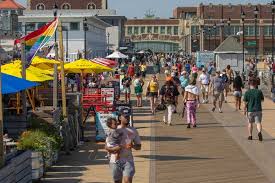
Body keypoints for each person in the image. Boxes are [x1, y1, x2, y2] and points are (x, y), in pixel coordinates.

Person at [105, 111, 141, 183]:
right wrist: (112, 150)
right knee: (117, 181)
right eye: (125, 116)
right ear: (120, 118)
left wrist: (133, 146)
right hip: (115, 161)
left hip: (128, 160)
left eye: (128, 116)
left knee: (127, 181)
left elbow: (139, 146)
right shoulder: (114, 129)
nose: (127, 118)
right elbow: (106, 146)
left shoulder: (133, 130)